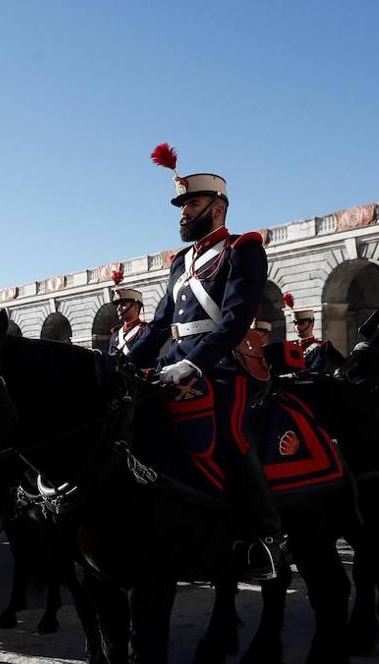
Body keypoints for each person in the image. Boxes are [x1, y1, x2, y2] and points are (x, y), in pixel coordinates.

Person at [130, 146, 286, 581]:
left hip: (225, 367)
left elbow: (235, 321)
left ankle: (266, 536)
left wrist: (195, 365)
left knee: (231, 436)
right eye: (182, 206)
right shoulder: (181, 261)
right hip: (175, 365)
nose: (183, 214)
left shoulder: (243, 249)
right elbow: (160, 326)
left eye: (192, 204)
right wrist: (121, 363)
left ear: (217, 209)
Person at [109, 286, 149, 354]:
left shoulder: (145, 330)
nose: (118, 309)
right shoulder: (115, 334)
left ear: (135, 307)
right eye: (118, 305)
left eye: (123, 305)